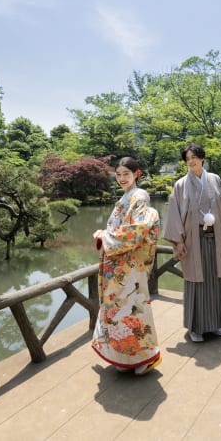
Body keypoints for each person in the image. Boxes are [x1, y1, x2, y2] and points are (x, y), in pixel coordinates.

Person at [163, 143, 221, 343]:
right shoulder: (180, 185)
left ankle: (215, 325)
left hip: (213, 238)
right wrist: (177, 241)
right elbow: (174, 214)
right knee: (196, 282)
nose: (191, 161)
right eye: (188, 158)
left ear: (202, 159)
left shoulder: (215, 179)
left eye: (194, 157)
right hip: (192, 241)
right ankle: (195, 328)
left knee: (216, 280)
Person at [91, 157, 162, 376]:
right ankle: (123, 357)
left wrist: (105, 235)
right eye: (118, 174)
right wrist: (105, 236)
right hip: (119, 263)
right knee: (119, 311)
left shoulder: (138, 196)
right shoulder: (126, 197)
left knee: (133, 308)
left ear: (136, 174)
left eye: (126, 174)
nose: (122, 178)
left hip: (129, 266)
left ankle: (144, 358)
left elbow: (138, 230)